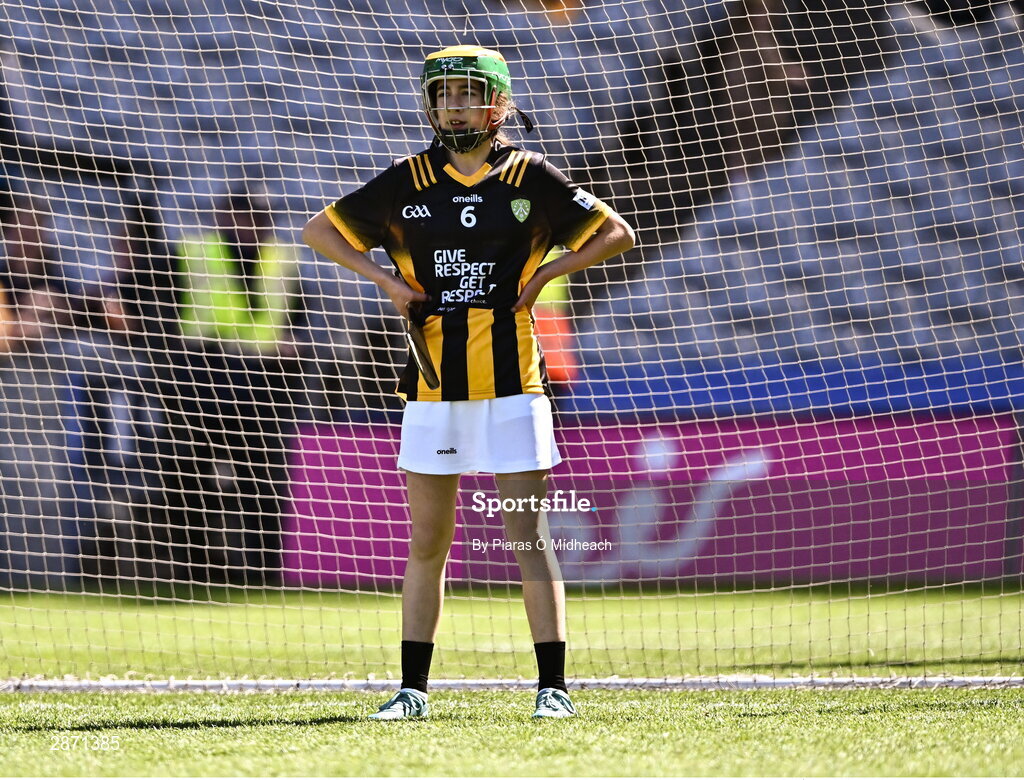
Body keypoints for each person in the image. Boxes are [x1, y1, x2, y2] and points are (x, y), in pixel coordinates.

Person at [303, 45, 635, 720]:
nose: (453, 105)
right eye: (443, 94)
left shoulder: (529, 176)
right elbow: (320, 232)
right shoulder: (406, 180)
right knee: (429, 541)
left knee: (528, 538)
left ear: (498, 103)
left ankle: (552, 691)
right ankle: (412, 692)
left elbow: (617, 234)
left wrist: (544, 277)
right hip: (433, 392)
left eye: (467, 93)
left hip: (516, 387)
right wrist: (387, 283)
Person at [153, 189, 305, 585]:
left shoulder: (283, 259)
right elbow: (164, 313)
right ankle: (194, 571)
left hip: (263, 383)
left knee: (263, 483)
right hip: (201, 376)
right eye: (243, 218)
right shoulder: (192, 252)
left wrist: (295, 344)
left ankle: (263, 573)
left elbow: (299, 317)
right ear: (223, 218)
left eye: (258, 219)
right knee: (188, 478)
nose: (251, 227)